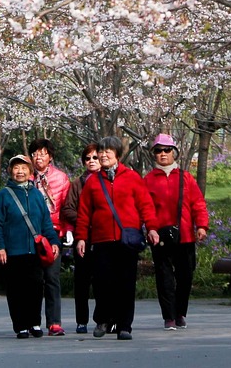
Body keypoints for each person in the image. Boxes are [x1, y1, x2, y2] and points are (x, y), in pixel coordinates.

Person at [74, 135, 159, 341]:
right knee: (103, 282)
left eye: (107, 151)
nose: (102, 155)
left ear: (118, 155)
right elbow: (84, 212)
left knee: (126, 283)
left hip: (126, 239)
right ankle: (103, 319)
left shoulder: (132, 178)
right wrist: (81, 237)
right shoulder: (93, 181)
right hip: (101, 239)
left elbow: (145, 205)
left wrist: (152, 228)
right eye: (100, 151)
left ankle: (124, 326)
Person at [143, 133, 209, 331]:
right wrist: (151, 228)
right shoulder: (148, 180)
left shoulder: (186, 177)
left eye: (167, 150)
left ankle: (180, 312)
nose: (163, 154)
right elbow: (145, 207)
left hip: (185, 235)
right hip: (160, 236)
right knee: (164, 278)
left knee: (185, 275)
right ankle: (169, 316)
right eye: (158, 151)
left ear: (174, 153)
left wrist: (202, 226)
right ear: (153, 154)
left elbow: (198, 203)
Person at [0, 153, 61, 338]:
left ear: (30, 172)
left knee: (36, 288)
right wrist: (0, 247)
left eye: (23, 168)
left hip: (34, 251)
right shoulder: (4, 195)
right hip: (13, 251)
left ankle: (34, 323)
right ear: (10, 171)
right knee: (16, 290)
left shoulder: (37, 194)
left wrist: (53, 242)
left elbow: (46, 222)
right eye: (16, 167)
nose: (20, 171)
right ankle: (21, 325)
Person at [29, 137, 71, 335]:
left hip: (53, 232)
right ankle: (33, 322)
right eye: (35, 153)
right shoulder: (25, 177)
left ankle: (54, 322)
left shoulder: (61, 178)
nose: (39, 157)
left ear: (50, 157)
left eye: (43, 153)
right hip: (30, 233)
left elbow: (66, 207)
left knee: (52, 278)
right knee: (34, 279)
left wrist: (68, 230)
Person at [60, 142, 101, 334]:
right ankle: (81, 320)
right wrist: (85, 220)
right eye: (87, 158)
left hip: (104, 237)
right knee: (82, 281)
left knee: (104, 280)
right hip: (83, 236)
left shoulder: (109, 181)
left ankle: (104, 318)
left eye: (95, 157)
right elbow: (67, 209)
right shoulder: (77, 184)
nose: (91, 161)